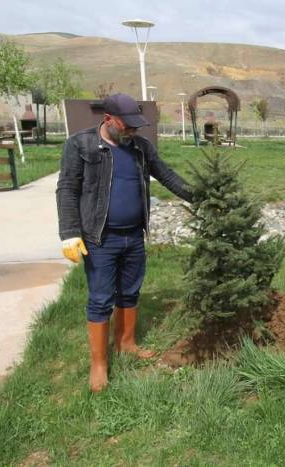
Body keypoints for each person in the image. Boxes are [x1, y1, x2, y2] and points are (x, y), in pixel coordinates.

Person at [56, 93, 193, 392]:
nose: (133, 130)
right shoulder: (81, 145)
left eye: (136, 125)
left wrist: (201, 196)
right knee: (101, 298)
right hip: (100, 238)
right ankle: (99, 364)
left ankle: (126, 343)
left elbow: (167, 176)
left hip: (134, 236)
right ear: (108, 119)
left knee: (130, 291)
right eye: (127, 125)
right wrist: (69, 232)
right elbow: (67, 189)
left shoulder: (141, 148)